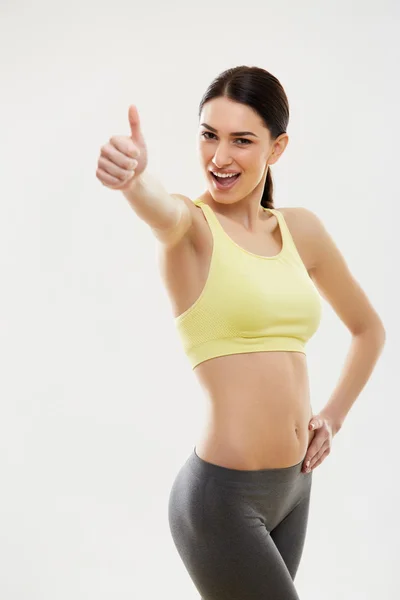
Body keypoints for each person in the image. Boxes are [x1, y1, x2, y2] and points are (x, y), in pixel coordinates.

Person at [96, 65, 386, 600]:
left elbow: (369, 329)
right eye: (209, 135)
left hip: (295, 487)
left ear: (277, 148)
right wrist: (134, 180)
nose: (219, 157)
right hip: (221, 500)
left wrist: (333, 417)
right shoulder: (193, 229)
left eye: (241, 140)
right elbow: (160, 210)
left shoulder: (302, 230)